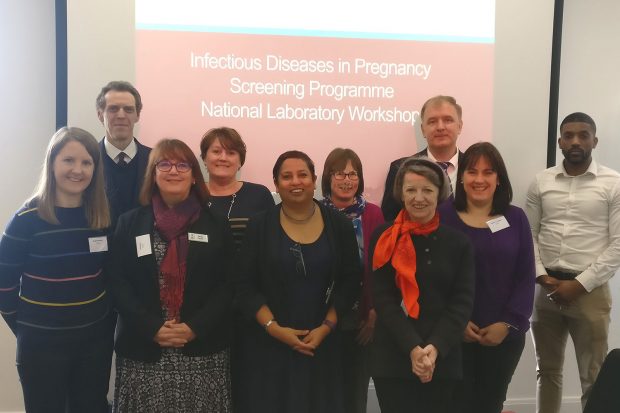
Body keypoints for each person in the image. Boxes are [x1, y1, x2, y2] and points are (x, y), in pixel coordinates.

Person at [106, 139, 234, 412]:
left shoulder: (216, 223)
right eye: (164, 164)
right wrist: (151, 327)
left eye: (182, 164)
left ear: (194, 175)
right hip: (144, 349)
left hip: (201, 350)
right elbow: (117, 281)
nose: (173, 171)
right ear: (153, 174)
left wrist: (194, 327)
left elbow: (228, 284)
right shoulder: (130, 222)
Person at [235, 150, 361, 413]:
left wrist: (326, 327)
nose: (296, 182)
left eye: (303, 175)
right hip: (269, 347)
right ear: (276, 184)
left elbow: (350, 281)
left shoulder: (339, 225)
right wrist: (273, 328)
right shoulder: (259, 226)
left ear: (315, 180)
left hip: (323, 346)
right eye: (287, 176)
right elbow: (245, 285)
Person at [0, 127, 113, 413]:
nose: (78, 170)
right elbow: (4, 285)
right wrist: (28, 328)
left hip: (93, 344)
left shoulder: (99, 217)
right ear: (52, 163)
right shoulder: (26, 219)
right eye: (69, 160)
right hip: (41, 346)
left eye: (87, 162)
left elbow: (107, 276)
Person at [525, 112, 620, 412]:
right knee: (547, 371)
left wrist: (579, 284)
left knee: (593, 376)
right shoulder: (542, 182)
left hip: (590, 291)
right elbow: (529, 235)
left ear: (595, 140)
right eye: (569, 135)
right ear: (560, 141)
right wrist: (541, 276)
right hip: (547, 290)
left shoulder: (614, 183)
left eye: (583, 135)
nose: (576, 141)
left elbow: (619, 244)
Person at [369, 157, 475, 413]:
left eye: (427, 190)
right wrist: (413, 349)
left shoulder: (458, 243)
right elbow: (383, 299)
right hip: (393, 357)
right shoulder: (383, 238)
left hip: (442, 357)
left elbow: (462, 303)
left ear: (440, 194)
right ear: (400, 194)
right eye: (411, 190)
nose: (419, 197)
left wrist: (433, 350)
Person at [438, 142, 535, 413]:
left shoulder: (515, 218)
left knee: (490, 404)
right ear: (461, 177)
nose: (479, 179)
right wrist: (455, 322)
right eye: (472, 172)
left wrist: (507, 323)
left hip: (503, 337)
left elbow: (525, 276)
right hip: (452, 335)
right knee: (454, 405)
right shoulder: (442, 216)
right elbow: (433, 278)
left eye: (488, 172)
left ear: (498, 178)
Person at [319, 147, 384, 413]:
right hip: (320, 319)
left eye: (353, 173)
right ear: (328, 177)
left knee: (354, 394)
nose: (347, 180)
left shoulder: (373, 215)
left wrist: (374, 312)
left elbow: (382, 269)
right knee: (323, 393)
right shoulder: (314, 213)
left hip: (362, 319)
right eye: (339, 174)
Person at [381, 95, 464, 220]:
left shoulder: (476, 169)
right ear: (423, 130)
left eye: (448, 120)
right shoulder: (401, 168)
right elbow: (390, 220)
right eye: (432, 121)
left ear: (459, 126)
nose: (440, 127)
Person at [200, 126, 274, 249]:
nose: (223, 158)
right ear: (204, 158)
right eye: (216, 151)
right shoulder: (192, 194)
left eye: (231, 153)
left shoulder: (259, 195)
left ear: (240, 161)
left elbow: (270, 244)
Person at [96, 80, 151, 224]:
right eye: (113, 109)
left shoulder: (156, 161)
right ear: (100, 115)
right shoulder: (87, 159)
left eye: (128, 109)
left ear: (137, 115)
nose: (121, 115)